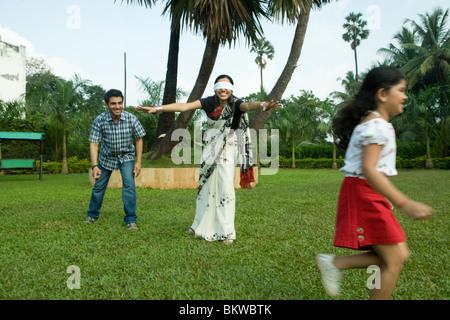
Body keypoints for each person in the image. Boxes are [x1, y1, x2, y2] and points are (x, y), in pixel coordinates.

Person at [317, 67, 434, 300]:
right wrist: (404, 203)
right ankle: (335, 264)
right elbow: (370, 170)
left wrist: (387, 199)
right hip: (363, 193)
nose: (405, 96)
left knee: (399, 255)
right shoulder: (377, 126)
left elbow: (372, 169)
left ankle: (335, 263)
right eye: (401, 90)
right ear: (382, 94)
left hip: (364, 192)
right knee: (394, 260)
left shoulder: (370, 122)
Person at [135, 75, 280, 244]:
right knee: (205, 185)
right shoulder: (209, 102)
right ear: (215, 88)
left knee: (225, 187)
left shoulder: (237, 103)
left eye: (227, 86)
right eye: (220, 86)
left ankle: (227, 232)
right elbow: (184, 106)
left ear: (231, 89)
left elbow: (249, 105)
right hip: (211, 147)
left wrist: (263, 105)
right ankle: (198, 224)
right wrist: (158, 108)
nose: (223, 89)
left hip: (227, 147)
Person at [84, 89, 146, 231]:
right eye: (113, 103)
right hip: (106, 158)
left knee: (129, 187)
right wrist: (95, 166)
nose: (117, 106)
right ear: (106, 105)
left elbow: (139, 139)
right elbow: (94, 144)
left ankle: (131, 219)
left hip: (127, 157)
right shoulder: (99, 120)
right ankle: (92, 215)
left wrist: (138, 162)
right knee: (98, 187)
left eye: (120, 103)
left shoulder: (131, 118)